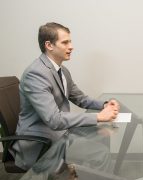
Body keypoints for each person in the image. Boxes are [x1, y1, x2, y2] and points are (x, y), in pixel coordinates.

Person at [12, 22, 120, 170]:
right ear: (49, 45)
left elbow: (80, 99)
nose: (71, 46)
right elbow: (54, 119)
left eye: (70, 41)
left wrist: (104, 105)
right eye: (65, 42)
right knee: (101, 153)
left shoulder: (62, 71)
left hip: (59, 133)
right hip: (40, 142)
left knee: (103, 134)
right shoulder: (35, 74)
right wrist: (99, 117)